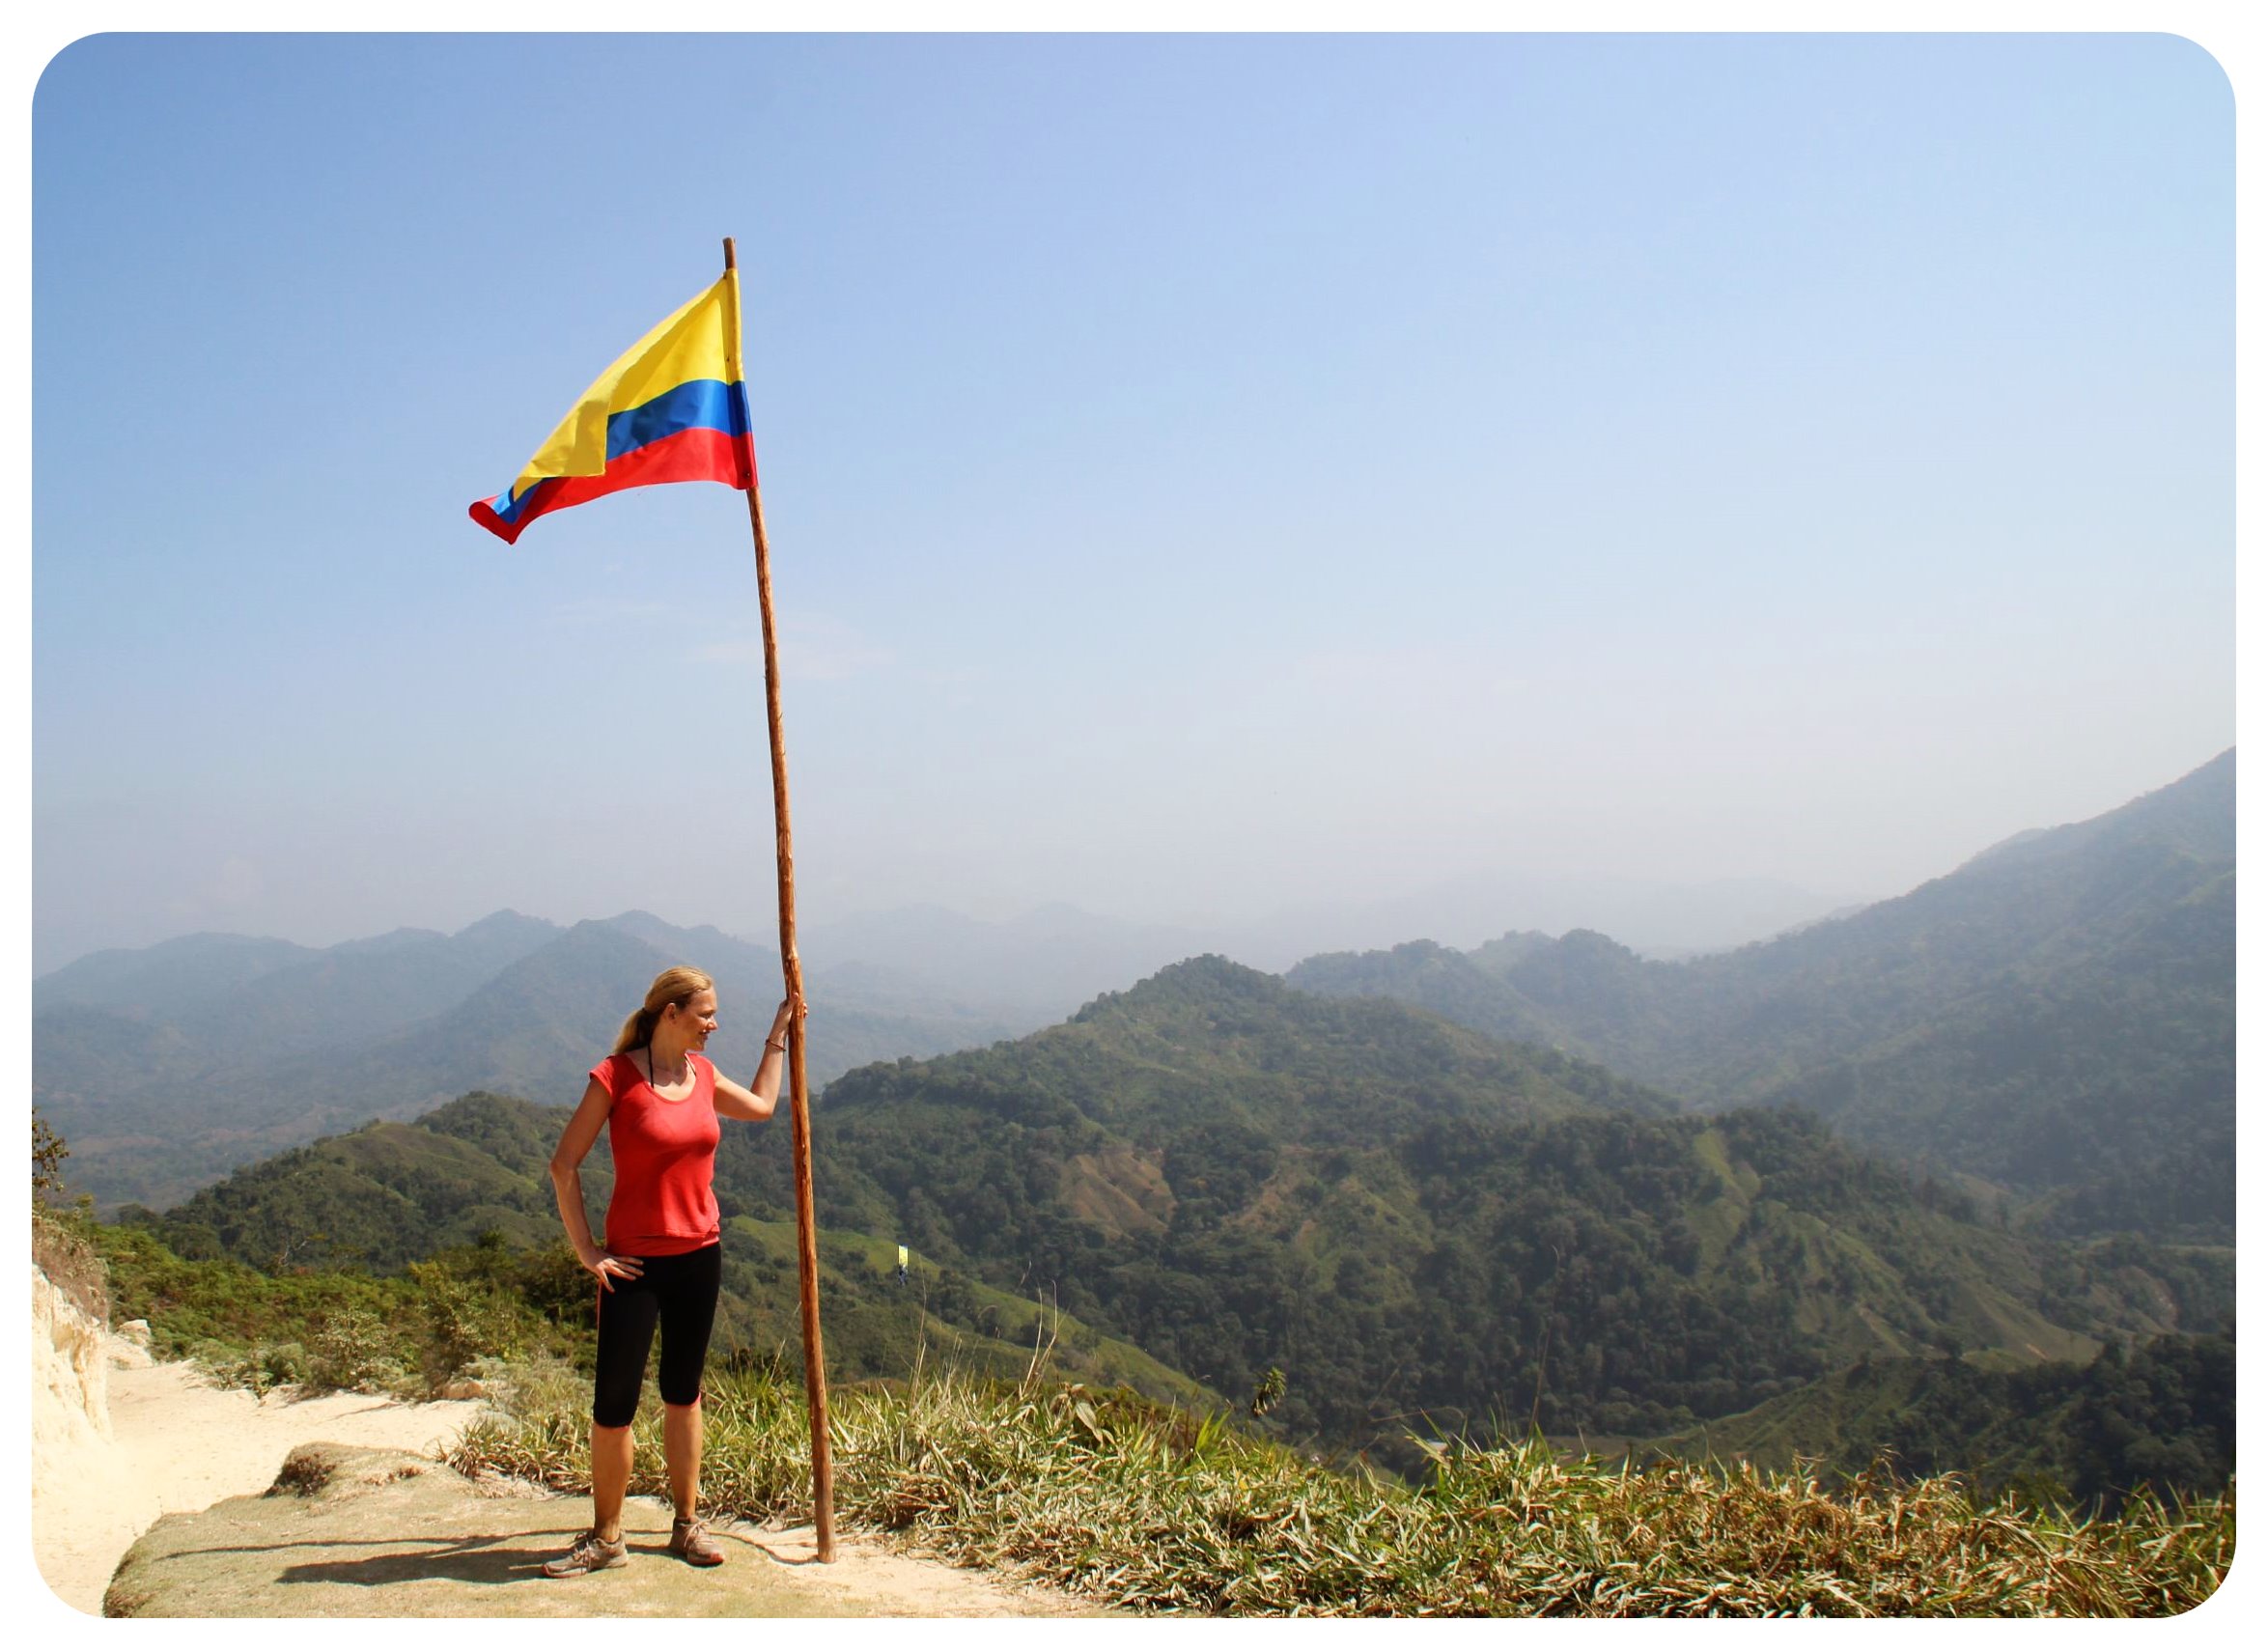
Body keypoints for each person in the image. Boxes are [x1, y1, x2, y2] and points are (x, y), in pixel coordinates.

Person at [541, 965, 800, 1578]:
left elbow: (763, 1107)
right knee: (615, 1404)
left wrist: (779, 1033)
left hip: (699, 1256)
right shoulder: (616, 1077)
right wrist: (587, 1250)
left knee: (684, 1395)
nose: (713, 1023)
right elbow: (563, 1165)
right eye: (705, 1013)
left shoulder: (703, 1076)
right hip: (631, 1266)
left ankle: (688, 1523)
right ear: (670, 1013)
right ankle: (606, 1536)